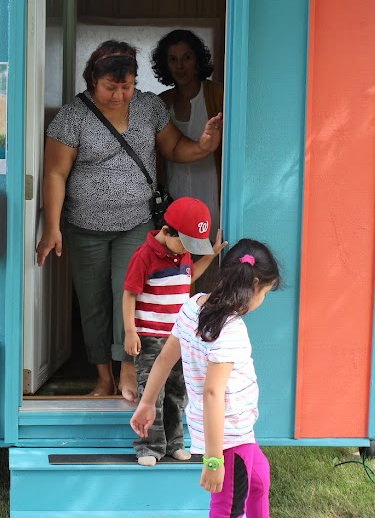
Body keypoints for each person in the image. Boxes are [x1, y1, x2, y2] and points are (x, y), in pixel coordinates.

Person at [35, 40, 223, 402]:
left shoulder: (149, 107)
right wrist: (53, 227)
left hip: (136, 223)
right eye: (111, 87)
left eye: (127, 86)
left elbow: (173, 148)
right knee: (93, 303)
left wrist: (202, 146)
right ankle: (102, 377)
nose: (120, 95)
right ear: (93, 80)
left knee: (131, 294)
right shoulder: (73, 117)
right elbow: (55, 174)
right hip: (84, 226)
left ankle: (126, 372)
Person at [130, 239, 281, 518]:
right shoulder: (231, 330)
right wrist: (213, 460)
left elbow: (164, 358)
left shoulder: (192, 306)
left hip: (237, 432)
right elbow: (213, 393)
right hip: (228, 437)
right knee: (227, 509)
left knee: (259, 481)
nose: (262, 301)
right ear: (255, 284)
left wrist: (147, 403)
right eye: (266, 293)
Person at [122, 196, 227, 466]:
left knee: (177, 393)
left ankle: (175, 443)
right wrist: (130, 331)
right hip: (150, 339)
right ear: (167, 231)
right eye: (185, 242)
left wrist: (211, 254)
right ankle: (149, 447)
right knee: (152, 394)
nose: (186, 251)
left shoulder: (182, 253)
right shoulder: (144, 256)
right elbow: (129, 294)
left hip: (180, 338)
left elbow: (189, 275)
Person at [151, 30, 225, 292]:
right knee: (178, 270)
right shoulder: (162, 102)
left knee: (212, 266)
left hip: (213, 195)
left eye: (186, 57)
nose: (180, 66)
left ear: (197, 60)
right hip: (176, 193)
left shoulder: (218, 95)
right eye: (172, 59)